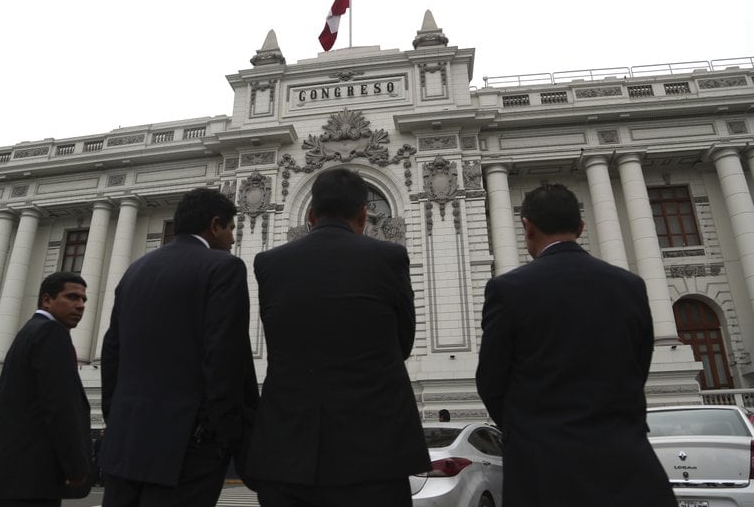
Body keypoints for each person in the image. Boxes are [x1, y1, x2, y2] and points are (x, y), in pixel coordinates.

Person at [475, 183, 676, 507]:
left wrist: (527, 427)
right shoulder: (629, 286)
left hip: (544, 470)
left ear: (527, 226)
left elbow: (491, 381)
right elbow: (639, 365)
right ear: (581, 227)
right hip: (625, 466)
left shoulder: (508, 290)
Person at [247, 167, 431, 507]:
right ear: (363, 215)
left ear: (312, 215)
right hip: (373, 453)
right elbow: (403, 342)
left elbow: (279, 340)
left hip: (288, 451)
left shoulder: (270, 263)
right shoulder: (388, 258)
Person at [100, 188, 258, 507]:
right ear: (215, 224)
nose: (231, 240)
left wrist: (116, 417)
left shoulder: (135, 271)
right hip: (187, 444)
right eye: (230, 229)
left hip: (126, 440)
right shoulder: (223, 267)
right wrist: (226, 435)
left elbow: (112, 351)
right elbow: (225, 357)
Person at [0, 272, 92, 506]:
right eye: (72, 297)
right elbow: (60, 406)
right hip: (32, 480)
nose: (80, 306)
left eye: (83, 300)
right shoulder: (51, 333)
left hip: (7, 478)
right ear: (46, 300)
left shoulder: (29, 332)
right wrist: (77, 466)